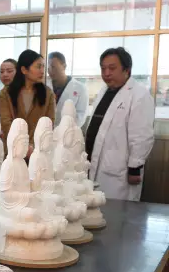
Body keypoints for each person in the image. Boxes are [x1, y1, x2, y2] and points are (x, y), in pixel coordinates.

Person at [85, 47, 155, 201]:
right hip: (96, 163)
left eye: (112, 68)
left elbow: (141, 136)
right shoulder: (103, 91)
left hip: (119, 172)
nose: (106, 73)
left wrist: (135, 167)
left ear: (126, 70)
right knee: (97, 208)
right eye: (103, 68)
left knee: (117, 211)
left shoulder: (139, 95)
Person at [0, 49, 56, 156]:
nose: (42, 71)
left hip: (39, 151)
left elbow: (50, 123)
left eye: (43, 67)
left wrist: (34, 146)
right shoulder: (6, 93)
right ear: (24, 70)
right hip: (14, 151)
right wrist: (23, 146)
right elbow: (6, 123)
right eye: (38, 66)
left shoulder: (48, 94)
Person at [47, 51, 89, 127]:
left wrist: (64, 130)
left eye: (53, 67)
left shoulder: (80, 88)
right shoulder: (45, 87)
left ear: (64, 66)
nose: (50, 71)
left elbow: (81, 116)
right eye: (48, 68)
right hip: (46, 130)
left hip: (68, 131)